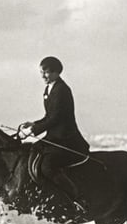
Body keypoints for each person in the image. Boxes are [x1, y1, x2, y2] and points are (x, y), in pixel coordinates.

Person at [19, 55, 90, 210]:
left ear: (57, 72)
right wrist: (34, 123)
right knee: (31, 152)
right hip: (53, 137)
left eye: (47, 72)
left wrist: (33, 130)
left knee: (47, 167)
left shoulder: (62, 90)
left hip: (66, 138)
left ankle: (76, 198)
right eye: (42, 73)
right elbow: (48, 116)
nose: (44, 76)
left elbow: (57, 118)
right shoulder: (48, 89)